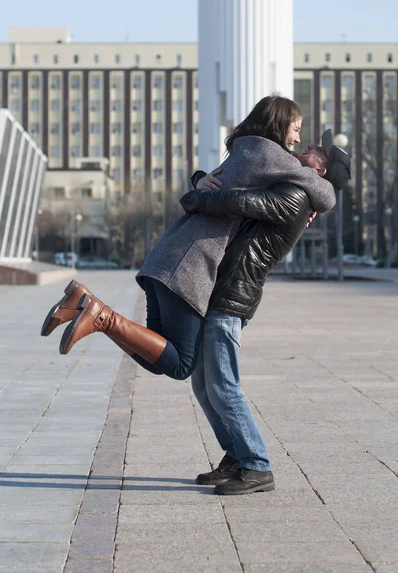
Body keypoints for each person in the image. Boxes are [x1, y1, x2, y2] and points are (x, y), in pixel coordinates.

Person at [41, 96, 336, 384]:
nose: (298, 139)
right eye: (295, 129)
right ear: (279, 123)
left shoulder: (245, 148)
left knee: (156, 353)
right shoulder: (271, 155)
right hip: (190, 264)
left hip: (170, 255)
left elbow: (221, 185)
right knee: (182, 364)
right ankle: (100, 315)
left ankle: (85, 304)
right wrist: (312, 204)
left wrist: (198, 179)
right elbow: (326, 194)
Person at [180, 128, 351, 495]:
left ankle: (257, 465)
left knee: (223, 385)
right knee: (202, 383)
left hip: (232, 296)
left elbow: (238, 202)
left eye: (319, 149)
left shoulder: (294, 195)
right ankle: (236, 456)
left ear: (320, 171)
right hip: (221, 290)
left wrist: (194, 197)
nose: (311, 145)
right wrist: (201, 178)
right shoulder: (294, 188)